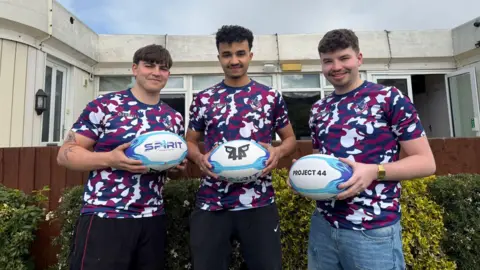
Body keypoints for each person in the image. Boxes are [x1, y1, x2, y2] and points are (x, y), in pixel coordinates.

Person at [306, 29, 436, 270]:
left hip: (372, 230)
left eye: (344, 58)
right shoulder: (318, 109)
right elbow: (320, 162)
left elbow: (426, 162)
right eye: (328, 61)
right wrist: (305, 178)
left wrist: (375, 171)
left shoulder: (389, 98)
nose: (336, 66)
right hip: (323, 226)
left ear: (359, 58)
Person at [57, 44, 187, 270]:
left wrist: (174, 169)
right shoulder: (105, 106)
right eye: (149, 65)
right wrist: (111, 159)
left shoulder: (173, 118)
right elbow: (65, 154)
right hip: (106, 215)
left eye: (163, 68)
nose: (156, 72)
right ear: (135, 69)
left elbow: (166, 170)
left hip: (152, 217)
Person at [186, 25, 297, 270]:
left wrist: (277, 151)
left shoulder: (270, 97)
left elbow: (289, 139)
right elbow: (190, 141)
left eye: (240, 53)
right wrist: (198, 158)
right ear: (219, 58)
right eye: (227, 54)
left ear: (250, 55)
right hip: (212, 202)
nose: (234, 60)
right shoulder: (204, 99)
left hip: (259, 202)